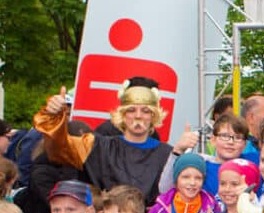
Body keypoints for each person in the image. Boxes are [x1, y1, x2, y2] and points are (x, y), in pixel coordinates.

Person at [34, 82, 188, 205]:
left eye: (146, 111)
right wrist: (52, 116)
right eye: (131, 110)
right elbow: (58, 147)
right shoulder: (97, 146)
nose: (138, 116)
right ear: (122, 114)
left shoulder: (168, 154)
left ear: (154, 116)